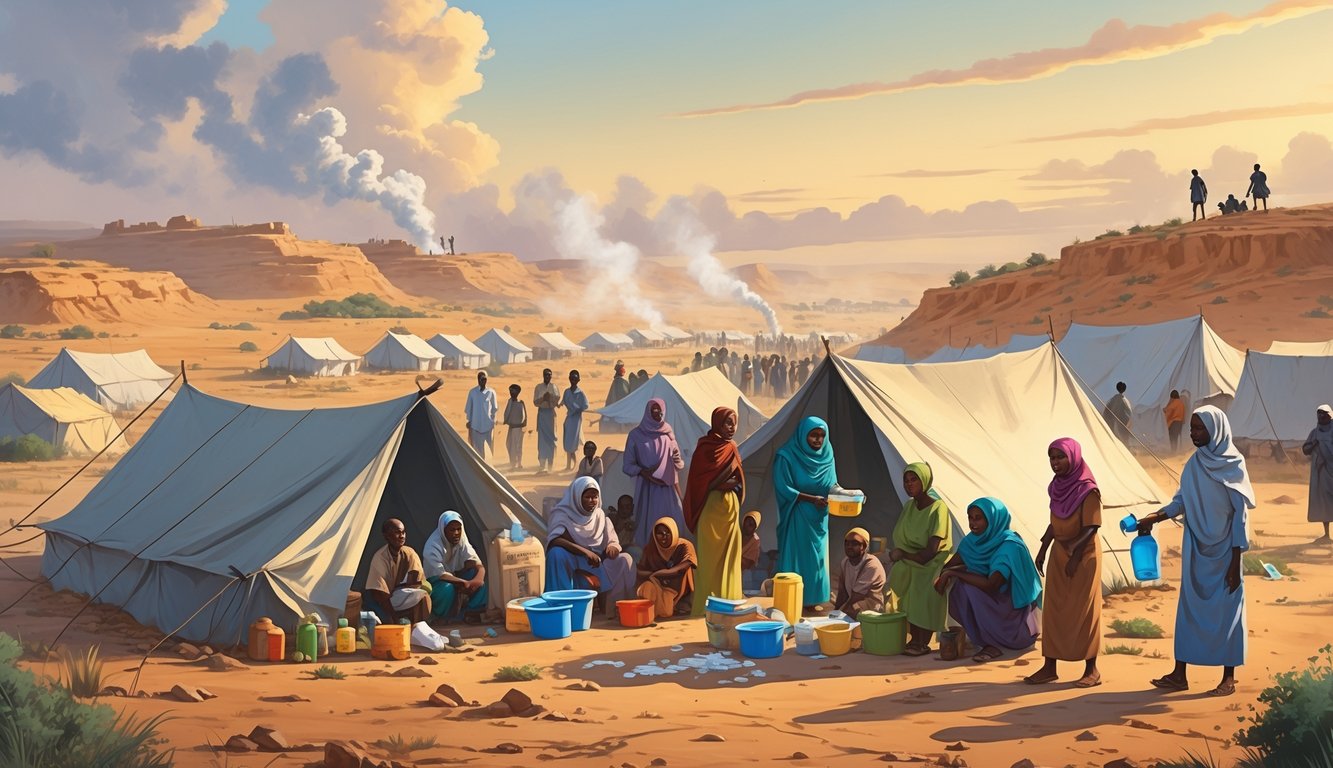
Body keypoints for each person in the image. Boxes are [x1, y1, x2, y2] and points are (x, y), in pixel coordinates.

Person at [1136, 406, 1254, 696]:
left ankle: (1228, 677)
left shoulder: (1233, 465)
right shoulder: (1194, 464)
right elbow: (1181, 501)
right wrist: (1156, 516)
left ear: (1216, 430)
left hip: (1226, 552)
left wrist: (1235, 562)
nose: (1193, 434)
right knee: (1188, 610)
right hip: (1195, 551)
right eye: (1191, 428)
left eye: (1199, 429)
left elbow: (1240, 517)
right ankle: (1179, 674)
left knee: (1229, 612)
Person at [1026, 438, 1103, 688]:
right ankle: (1050, 667)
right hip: (1061, 553)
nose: (1055, 463)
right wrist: (1043, 548)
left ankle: (1091, 669)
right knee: (1054, 610)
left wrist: (1075, 554)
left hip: (1084, 555)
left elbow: (1092, 526)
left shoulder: (1088, 489)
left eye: (1060, 457)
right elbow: (1055, 520)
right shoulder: (1057, 486)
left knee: (1084, 611)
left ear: (1073, 457)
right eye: (1052, 458)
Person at [936, 498, 1042, 663]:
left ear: (993, 520)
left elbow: (992, 585)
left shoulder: (1009, 546)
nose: (972, 523)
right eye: (970, 517)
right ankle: (984, 638)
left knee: (968, 587)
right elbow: (948, 566)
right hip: (995, 605)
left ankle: (993, 643)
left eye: (978, 518)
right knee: (961, 586)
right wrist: (946, 574)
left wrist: (953, 574)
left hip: (1016, 618)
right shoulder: (972, 542)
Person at [683, 407, 746, 615]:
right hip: (710, 510)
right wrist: (719, 483)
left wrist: (725, 484)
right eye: (728, 423)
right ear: (717, 423)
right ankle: (706, 609)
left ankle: (730, 605)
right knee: (709, 563)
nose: (732, 428)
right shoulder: (704, 448)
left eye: (734, 423)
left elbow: (737, 479)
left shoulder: (732, 447)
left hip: (730, 509)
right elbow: (698, 483)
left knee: (730, 559)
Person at [545, 476, 636, 617]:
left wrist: (613, 547)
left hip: (595, 565)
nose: (592, 501)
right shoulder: (562, 514)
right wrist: (584, 552)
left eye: (595, 497)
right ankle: (562, 608)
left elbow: (612, 540)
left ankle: (617, 608)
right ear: (577, 496)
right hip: (572, 560)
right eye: (587, 497)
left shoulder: (600, 516)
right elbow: (555, 540)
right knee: (555, 553)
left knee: (625, 559)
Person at [774, 416, 838, 611]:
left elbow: (832, 483)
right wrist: (811, 499)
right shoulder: (786, 455)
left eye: (821, 436)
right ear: (803, 435)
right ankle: (794, 599)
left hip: (819, 518)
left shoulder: (828, 454)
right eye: (813, 435)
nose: (818, 440)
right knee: (798, 557)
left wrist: (845, 494)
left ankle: (814, 598)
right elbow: (783, 486)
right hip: (798, 514)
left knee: (817, 559)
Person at [888, 462, 952, 656]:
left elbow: (932, 550)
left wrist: (904, 555)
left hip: (932, 561)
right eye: (906, 481)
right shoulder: (909, 506)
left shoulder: (938, 508)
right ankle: (913, 638)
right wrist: (904, 556)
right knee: (901, 575)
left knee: (923, 582)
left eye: (914, 480)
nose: (909, 485)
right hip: (912, 559)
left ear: (924, 481)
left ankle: (921, 641)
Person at [623, 398, 687, 547]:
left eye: (660, 411)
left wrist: (676, 459)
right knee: (649, 527)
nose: (657, 414)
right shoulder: (635, 435)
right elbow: (627, 466)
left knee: (672, 524)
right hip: (647, 490)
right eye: (654, 411)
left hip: (668, 490)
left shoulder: (668, 433)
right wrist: (642, 471)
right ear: (647, 412)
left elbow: (678, 464)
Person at [423, 511, 488, 623]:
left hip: (457, 576)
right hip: (437, 581)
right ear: (443, 530)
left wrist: (478, 579)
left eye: (459, 529)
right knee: (447, 589)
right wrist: (463, 583)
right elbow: (440, 574)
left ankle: (471, 612)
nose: (456, 533)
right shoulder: (432, 546)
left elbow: (475, 562)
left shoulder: (461, 539)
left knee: (478, 579)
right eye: (452, 530)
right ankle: (442, 617)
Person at [365, 518, 432, 624]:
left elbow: (415, 582)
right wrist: (393, 618)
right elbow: (379, 593)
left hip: (400, 593)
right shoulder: (380, 557)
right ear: (386, 535)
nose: (401, 536)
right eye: (397, 533)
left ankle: (420, 627)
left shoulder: (409, 552)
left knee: (423, 596)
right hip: (384, 599)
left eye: (403, 532)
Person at [635, 517, 698, 617]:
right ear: (654, 535)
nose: (664, 536)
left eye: (668, 532)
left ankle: (681, 605)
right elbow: (640, 571)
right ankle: (648, 614)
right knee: (645, 588)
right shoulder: (650, 549)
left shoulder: (684, 545)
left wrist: (662, 573)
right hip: (658, 586)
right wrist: (654, 575)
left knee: (689, 571)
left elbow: (685, 565)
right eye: (660, 533)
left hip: (678, 587)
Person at [835, 527, 886, 616]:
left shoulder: (871, 565)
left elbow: (856, 597)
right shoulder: (845, 562)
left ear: (864, 546)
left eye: (855, 543)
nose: (849, 546)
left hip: (871, 608)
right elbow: (842, 593)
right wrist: (834, 612)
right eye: (847, 543)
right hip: (854, 603)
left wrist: (839, 614)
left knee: (847, 613)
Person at [1301, 405, 1333, 544]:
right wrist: (1314, 444)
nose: (1321, 417)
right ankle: (1327, 534)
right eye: (1319, 414)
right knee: (1324, 503)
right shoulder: (1315, 433)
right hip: (1321, 474)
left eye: (1324, 414)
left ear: (1330, 416)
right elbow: (1306, 449)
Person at [464, 371, 498, 460]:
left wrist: (493, 421)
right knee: (478, 451)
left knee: (489, 450)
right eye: (481, 379)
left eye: (485, 379)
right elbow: (469, 408)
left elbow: (494, 408)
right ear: (478, 380)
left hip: (488, 426)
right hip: (475, 426)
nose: (483, 381)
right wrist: (469, 421)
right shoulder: (472, 392)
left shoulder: (491, 392)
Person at [561, 370, 589, 472]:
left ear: (578, 380)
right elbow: (563, 402)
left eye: (575, 378)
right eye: (571, 378)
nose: (573, 380)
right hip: (569, 418)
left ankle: (574, 465)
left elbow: (585, 405)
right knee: (567, 442)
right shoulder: (567, 392)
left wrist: (578, 409)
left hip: (576, 420)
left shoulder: (580, 393)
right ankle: (568, 465)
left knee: (574, 442)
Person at [533, 369, 560, 474]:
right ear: (543, 375)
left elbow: (557, 400)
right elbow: (535, 402)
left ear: (551, 376)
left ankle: (550, 465)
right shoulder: (538, 387)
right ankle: (542, 465)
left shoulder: (554, 387)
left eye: (549, 375)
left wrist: (550, 398)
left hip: (551, 415)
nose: (548, 376)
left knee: (552, 439)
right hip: (542, 414)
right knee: (542, 440)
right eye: (546, 375)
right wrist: (543, 398)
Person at [502, 383, 527, 470]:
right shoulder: (510, 401)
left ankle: (517, 464)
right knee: (509, 445)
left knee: (516, 446)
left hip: (518, 428)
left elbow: (524, 415)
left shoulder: (520, 402)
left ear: (517, 392)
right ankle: (514, 463)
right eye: (510, 390)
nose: (511, 392)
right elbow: (507, 413)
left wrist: (524, 426)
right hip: (511, 428)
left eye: (512, 390)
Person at [741, 511, 764, 592]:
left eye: (752, 524)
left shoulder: (755, 541)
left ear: (755, 527)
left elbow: (748, 562)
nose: (749, 525)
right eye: (748, 521)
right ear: (743, 522)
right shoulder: (736, 534)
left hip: (744, 574)